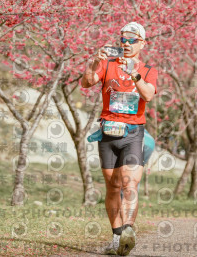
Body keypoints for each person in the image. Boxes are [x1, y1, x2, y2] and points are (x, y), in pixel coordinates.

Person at [81, 22, 158, 256]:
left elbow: (148, 95)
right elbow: (86, 82)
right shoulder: (107, 64)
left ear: (142, 43)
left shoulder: (148, 70)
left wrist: (134, 74)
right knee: (113, 187)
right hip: (108, 132)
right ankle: (117, 238)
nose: (126, 43)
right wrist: (93, 63)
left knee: (130, 184)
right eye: (123, 39)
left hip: (133, 133)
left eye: (132, 40)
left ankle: (128, 230)